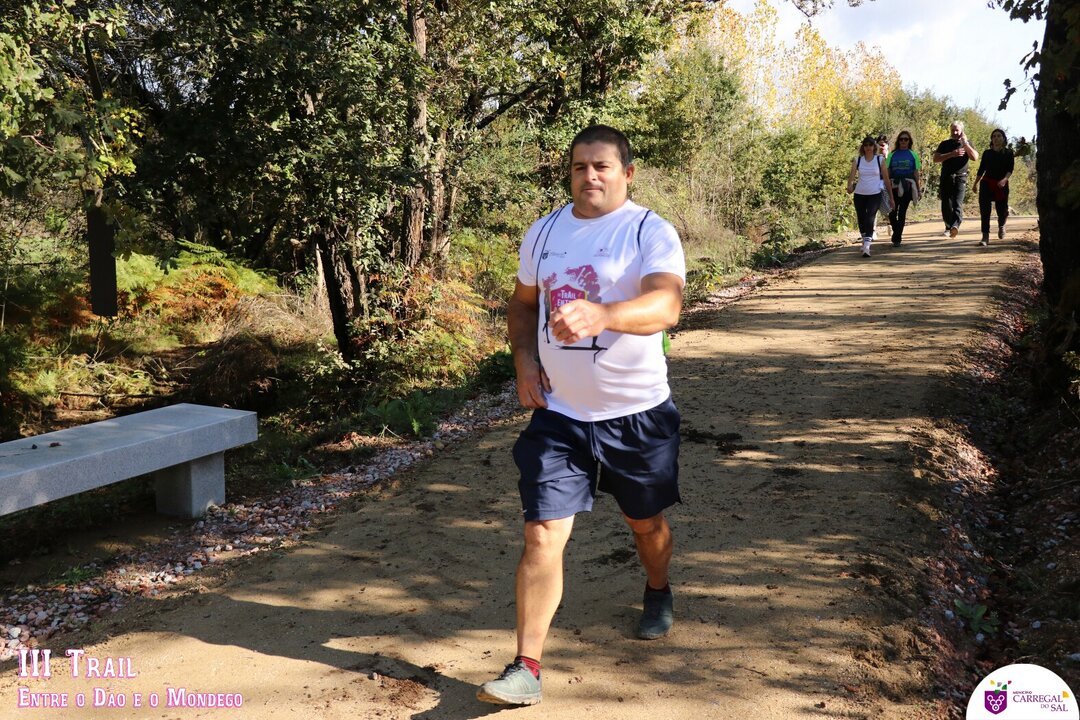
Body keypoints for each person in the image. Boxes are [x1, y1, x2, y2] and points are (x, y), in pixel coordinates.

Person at [477, 124, 686, 706]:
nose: (589, 176)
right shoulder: (544, 231)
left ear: (627, 173)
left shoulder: (649, 230)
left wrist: (603, 314)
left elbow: (667, 305)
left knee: (644, 525)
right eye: (578, 166)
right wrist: (523, 361)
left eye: (601, 166)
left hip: (636, 414)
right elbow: (523, 305)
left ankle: (658, 588)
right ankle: (526, 667)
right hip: (560, 415)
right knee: (542, 532)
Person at [847, 135, 894, 258]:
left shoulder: (880, 160)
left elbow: (886, 179)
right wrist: (849, 186)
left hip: (875, 193)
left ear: (874, 147)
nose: (868, 147)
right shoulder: (858, 160)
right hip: (860, 194)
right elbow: (851, 176)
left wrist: (891, 197)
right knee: (861, 218)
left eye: (870, 145)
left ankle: (867, 246)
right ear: (863, 147)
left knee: (870, 217)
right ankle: (864, 239)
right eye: (866, 145)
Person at [933, 120, 979, 238]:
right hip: (946, 177)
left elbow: (974, 157)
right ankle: (948, 227)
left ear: (962, 131)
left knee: (957, 203)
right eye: (952, 130)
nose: (954, 132)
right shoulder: (944, 144)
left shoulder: (968, 143)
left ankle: (955, 226)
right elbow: (936, 159)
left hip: (960, 177)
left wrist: (965, 143)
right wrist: (952, 154)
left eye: (957, 130)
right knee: (946, 204)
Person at [974, 128, 1014, 246]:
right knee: (985, 210)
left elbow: (1010, 169)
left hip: (1001, 184)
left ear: (1004, 138)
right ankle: (985, 236)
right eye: (994, 136)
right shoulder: (987, 153)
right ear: (991, 139)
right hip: (986, 183)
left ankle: (1002, 225)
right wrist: (975, 183)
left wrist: (1004, 180)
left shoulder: (1008, 153)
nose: (996, 138)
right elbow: (981, 169)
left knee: (1002, 209)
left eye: (999, 136)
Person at [886, 130, 924, 246]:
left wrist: (918, 189)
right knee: (892, 212)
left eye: (906, 139)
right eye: (901, 139)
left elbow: (916, 173)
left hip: (907, 186)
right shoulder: (892, 155)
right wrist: (885, 187)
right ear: (898, 141)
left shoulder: (913, 155)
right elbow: (887, 172)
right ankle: (896, 232)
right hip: (894, 186)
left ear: (909, 141)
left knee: (902, 212)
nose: (903, 141)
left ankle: (897, 238)